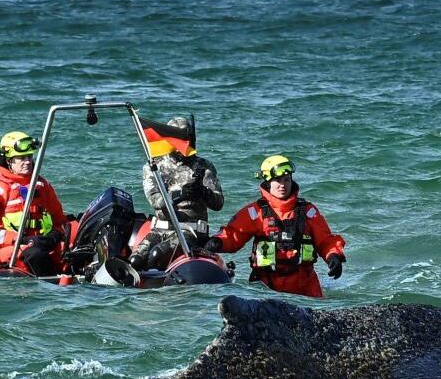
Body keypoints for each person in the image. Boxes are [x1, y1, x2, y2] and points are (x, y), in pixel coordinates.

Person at [204, 155, 345, 298]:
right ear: (267, 182)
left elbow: (325, 240)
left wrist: (333, 256)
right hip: (265, 288)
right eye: (277, 180)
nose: (283, 185)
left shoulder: (308, 211)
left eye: (286, 180)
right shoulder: (255, 212)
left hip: (306, 289)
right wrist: (218, 241)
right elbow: (234, 235)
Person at [130, 116, 225, 271]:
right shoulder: (155, 166)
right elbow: (155, 199)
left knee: (156, 255)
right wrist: (180, 195)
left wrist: (202, 192)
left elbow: (218, 203)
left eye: (188, 138)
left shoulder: (204, 166)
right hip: (160, 230)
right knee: (136, 260)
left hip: (191, 232)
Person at [0, 131, 68, 276]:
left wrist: (53, 236)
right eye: (21, 158)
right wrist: (21, 239)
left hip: (41, 242)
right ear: (9, 161)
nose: (27, 162)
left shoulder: (42, 185)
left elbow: (59, 219)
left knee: (76, 247)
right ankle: (54, 289)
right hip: (7, 248)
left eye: (29, 157)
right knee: (35, 255)